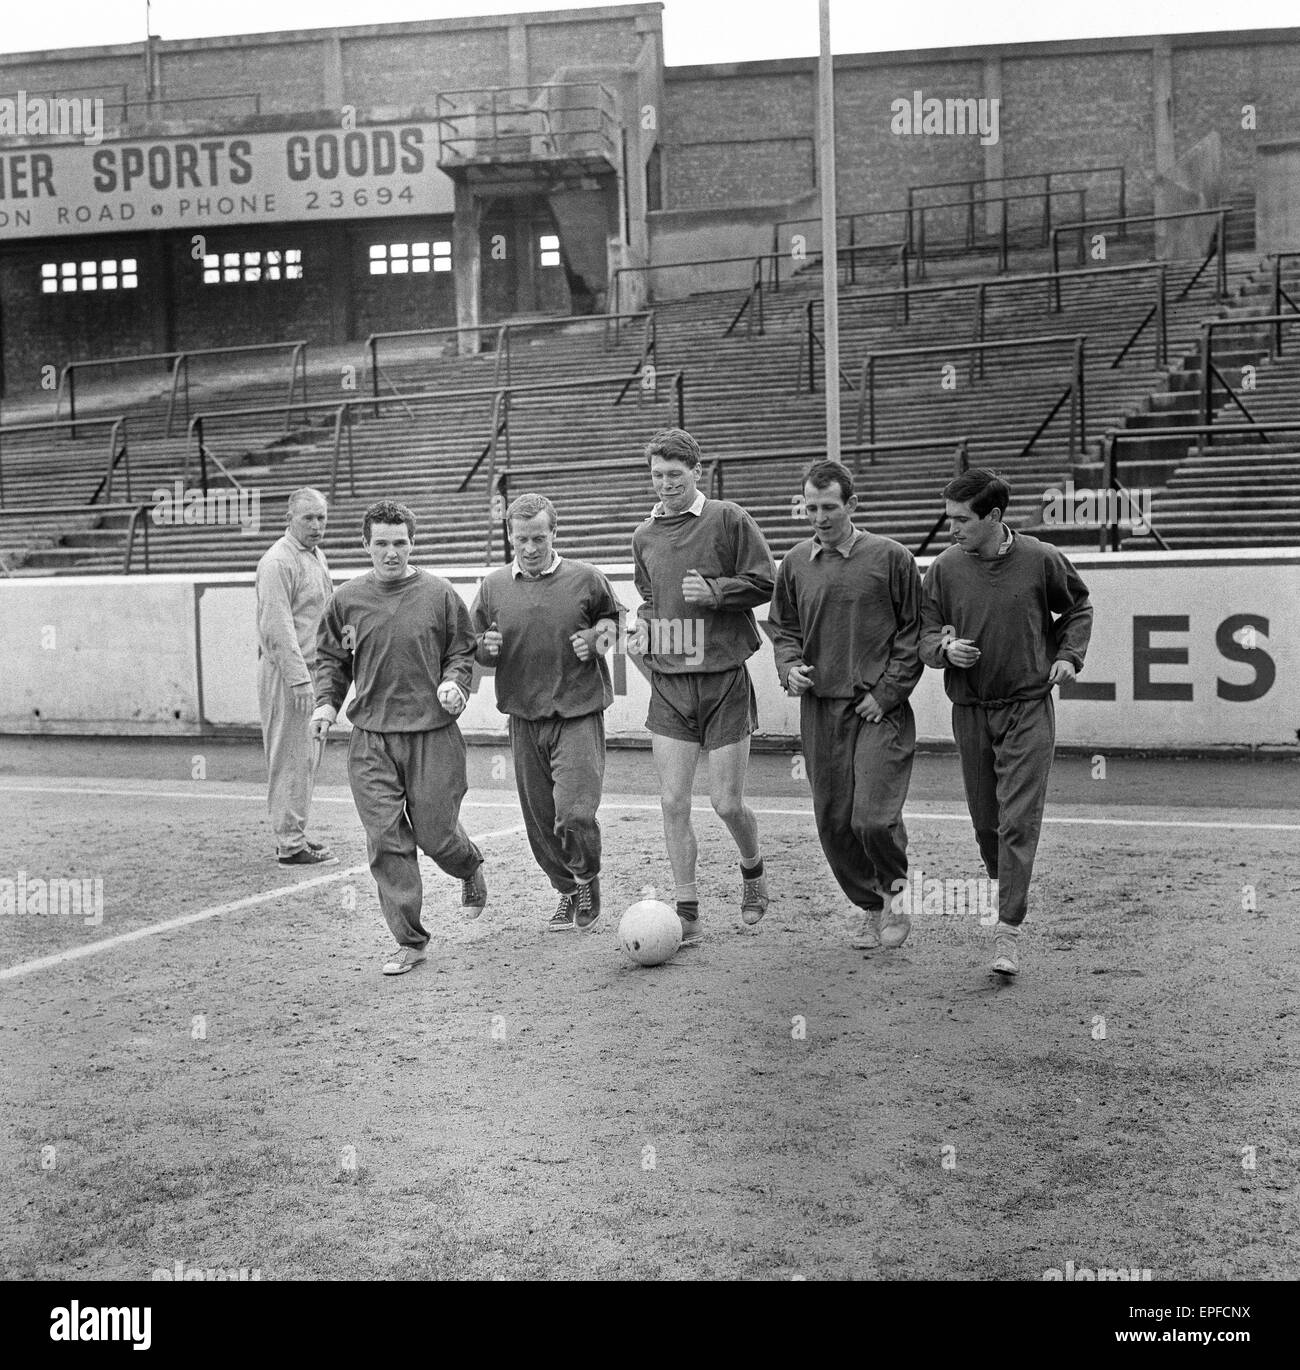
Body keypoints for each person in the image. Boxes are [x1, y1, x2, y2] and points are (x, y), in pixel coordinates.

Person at [919, 468, 1093, 977]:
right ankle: (1006, 888)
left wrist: (1069, 655)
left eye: (961, 520)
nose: (951, 529)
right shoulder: (945, 568)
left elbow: (1078, 607)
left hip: (1028, 706)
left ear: (994, 517)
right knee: (987, 825)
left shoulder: (1041, 558)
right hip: (971, 710)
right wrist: (946, 649)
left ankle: (1008, 927)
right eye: (948, 518)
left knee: (1019, 819)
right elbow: (924, 635)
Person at [311, 499, 487, 976]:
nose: (392, 553)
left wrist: (456, 682)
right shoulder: (346, 601)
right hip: (371, 739)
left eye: (401, 543)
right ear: (365, 544)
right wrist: (326, 703)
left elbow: (463, 650)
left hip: (432, 735)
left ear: (413, 543)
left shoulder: (440, 595)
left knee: (435, 834)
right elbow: (333, 661)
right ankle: (409, 940)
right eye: (382, 544)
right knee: (386, 838)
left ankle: (468, 865)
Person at [769, 460, 923, 951]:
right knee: (834, 822)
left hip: (877, 707)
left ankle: (896, 893)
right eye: (811, 508)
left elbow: (913, 633)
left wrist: (889, 692)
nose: (819, 517)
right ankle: (872, 906)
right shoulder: (793, 563)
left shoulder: (891, 557)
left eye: (829, 507)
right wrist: (789, 666)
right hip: (820, 710)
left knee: (872, 818)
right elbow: (783, 630)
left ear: (852, 505)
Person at [630, 427, 775, 945]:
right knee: (673, 801)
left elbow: (766, 582)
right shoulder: (644, 535)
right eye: (657, 475)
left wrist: (717, 591)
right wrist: (644, 627)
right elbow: (650, 595)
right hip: (670, 683)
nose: (665, 484)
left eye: (675, 474)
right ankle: (687, 908)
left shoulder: (728, 518)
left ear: (697, 471)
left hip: (723, 681)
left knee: (727, 803)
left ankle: (753, 872)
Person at [471, 493, 622, 932]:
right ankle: (567, 891)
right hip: (523, 718)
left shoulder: (587, 579)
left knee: (573, 813)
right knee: (540, 823)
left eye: (539, 537)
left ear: (555, 533)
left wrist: (598, 639)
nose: (531, 547)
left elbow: (614, 624)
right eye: (522, 539)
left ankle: (587, 876)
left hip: (577, 713)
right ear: (510, 536)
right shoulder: (494, 586)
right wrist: (484, 647)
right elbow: (473, 642)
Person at [255, 487, 336, 866]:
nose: (317, 525)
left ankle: (295, 833)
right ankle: (289, 844)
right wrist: (299, 678)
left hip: (313, 671)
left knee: (305, 757)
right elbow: (276, 626)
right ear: (289, 519)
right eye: (308, 518)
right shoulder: (278, 562)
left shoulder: (315, 557)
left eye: (321, 517)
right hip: (290, 675)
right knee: (289, 755)